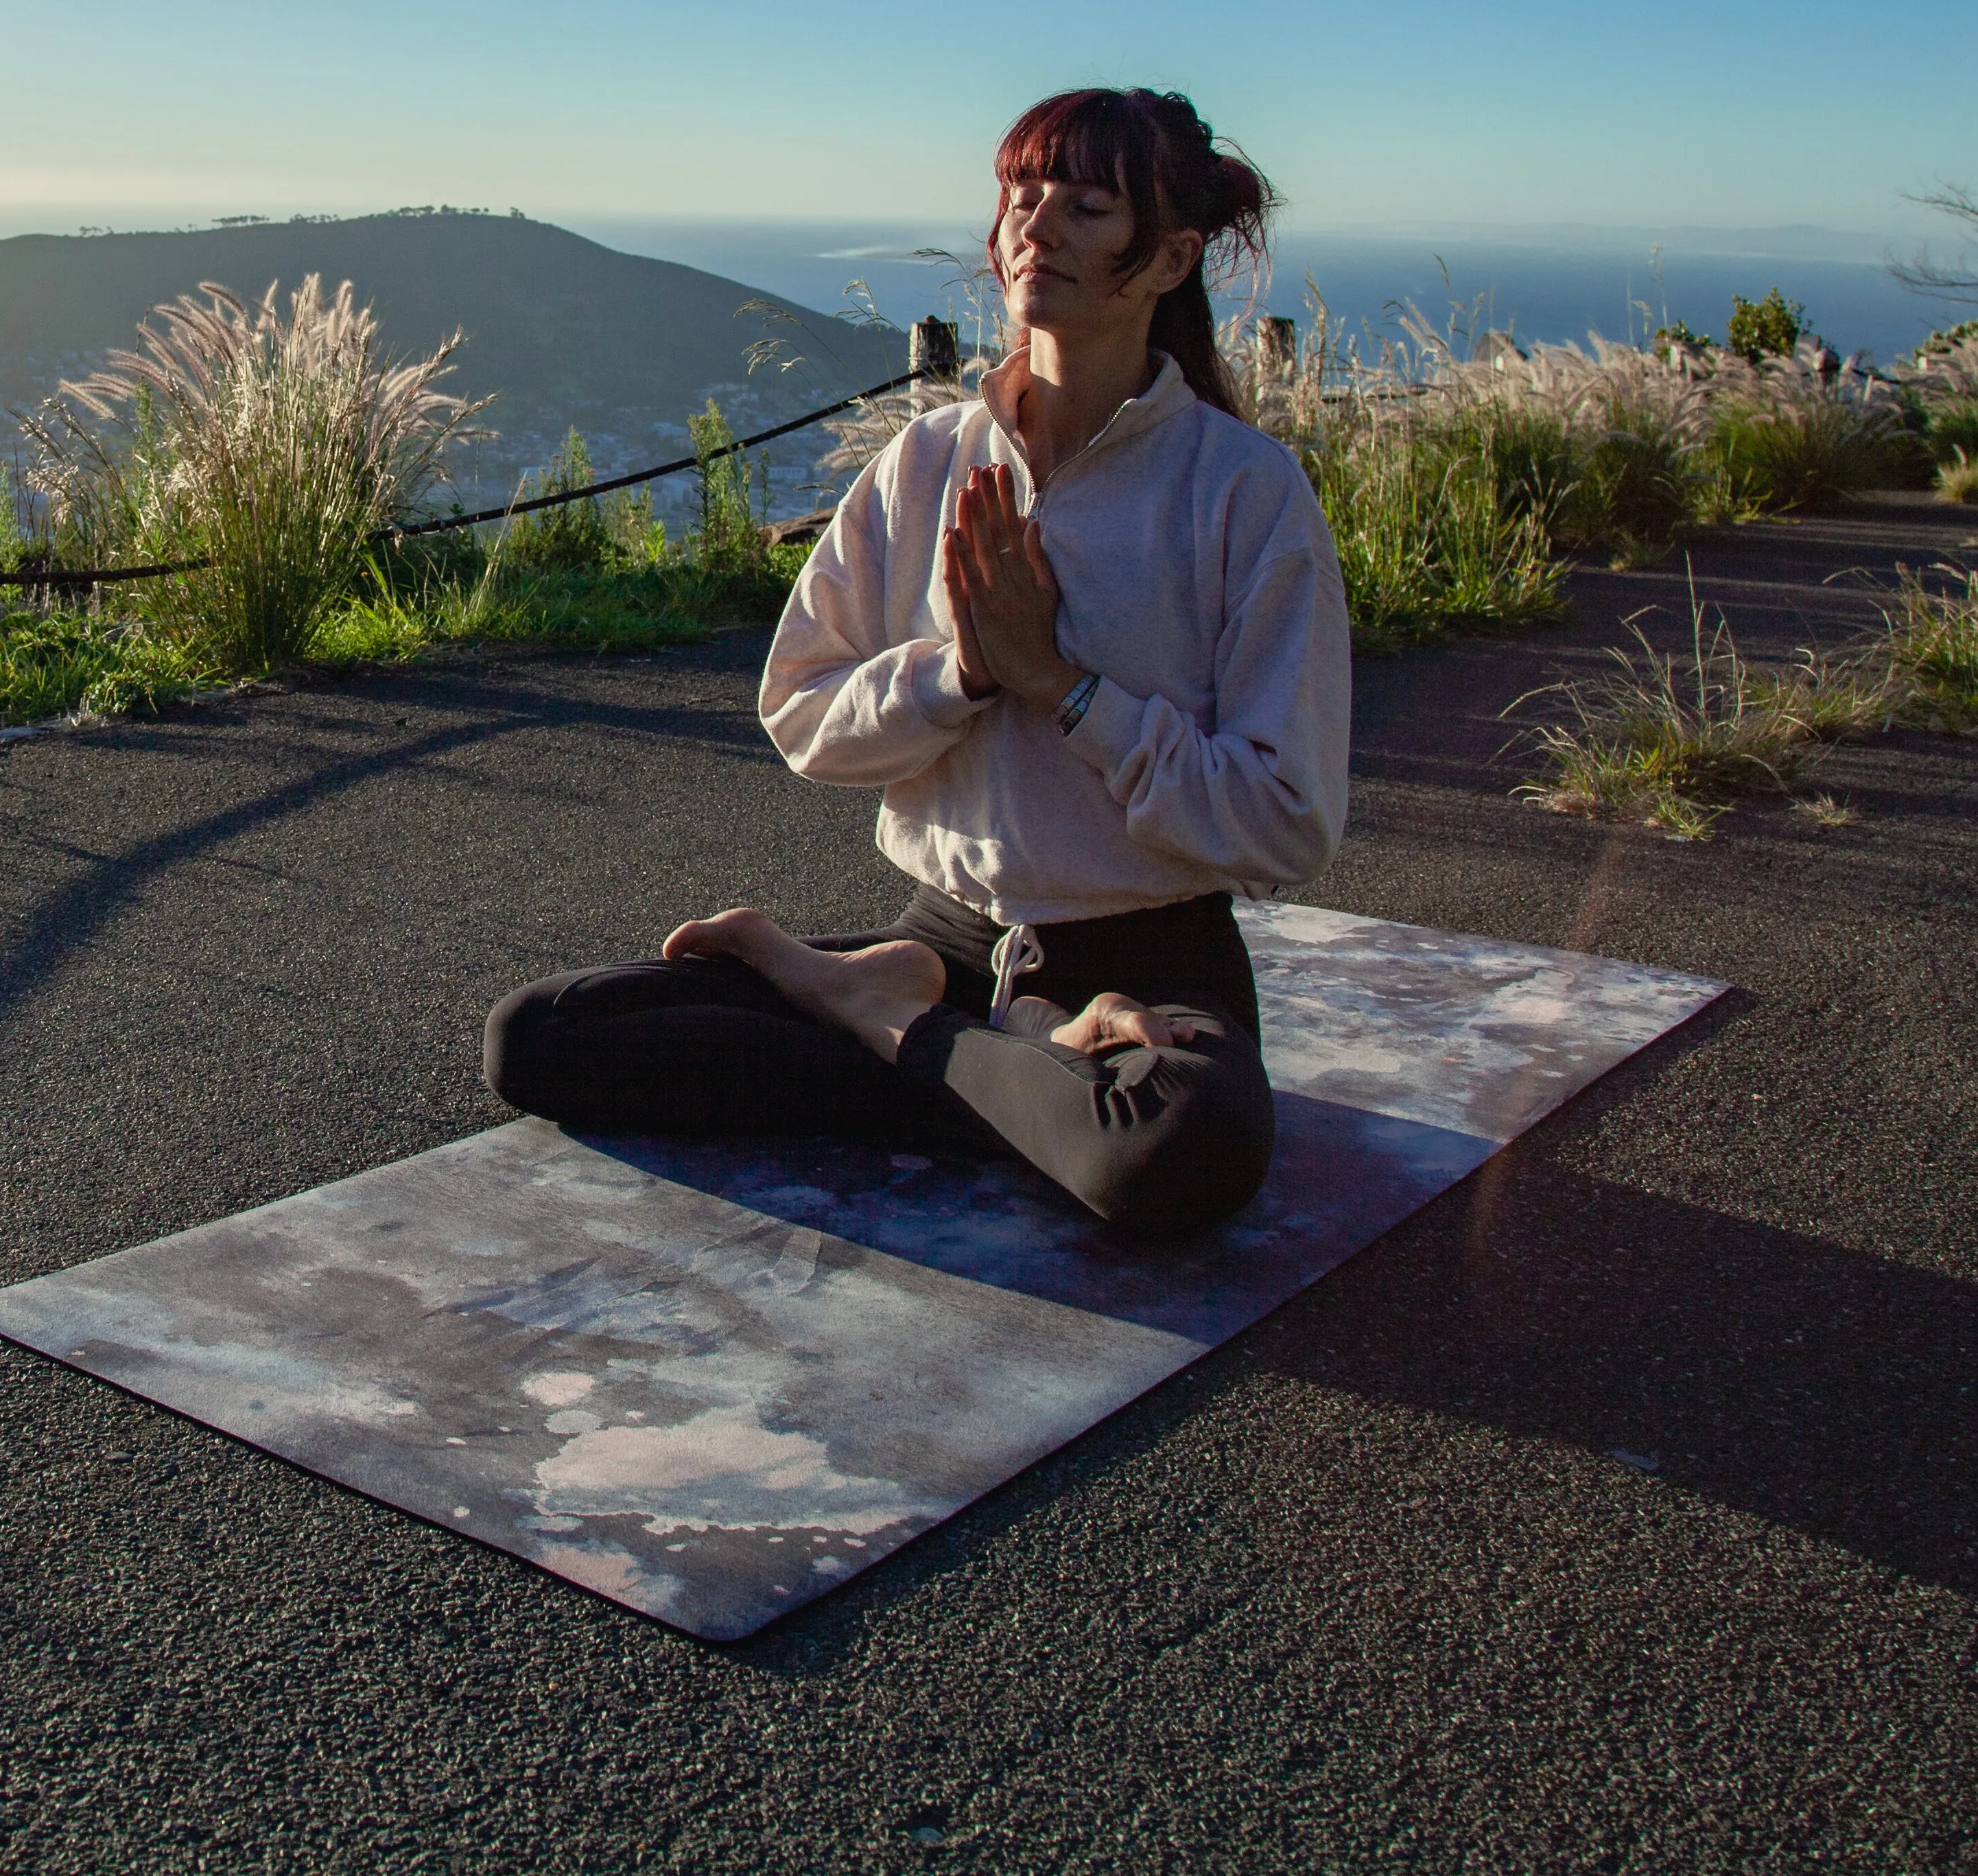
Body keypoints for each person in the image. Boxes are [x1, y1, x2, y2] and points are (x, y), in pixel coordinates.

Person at [481, 88, 1350, 1236]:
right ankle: (984, 1055)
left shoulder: (1241, 492)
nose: (1036, 228)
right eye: (1021, 199)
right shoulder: (928, 459)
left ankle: (884, 1021)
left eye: (1087, 208)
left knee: (1176, 1149)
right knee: (541, 1035)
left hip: (1145, 957)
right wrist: (964, 674)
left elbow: (1286, 824)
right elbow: (800, 713)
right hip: (947, 936)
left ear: (1171, 258)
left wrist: (1066, 688)